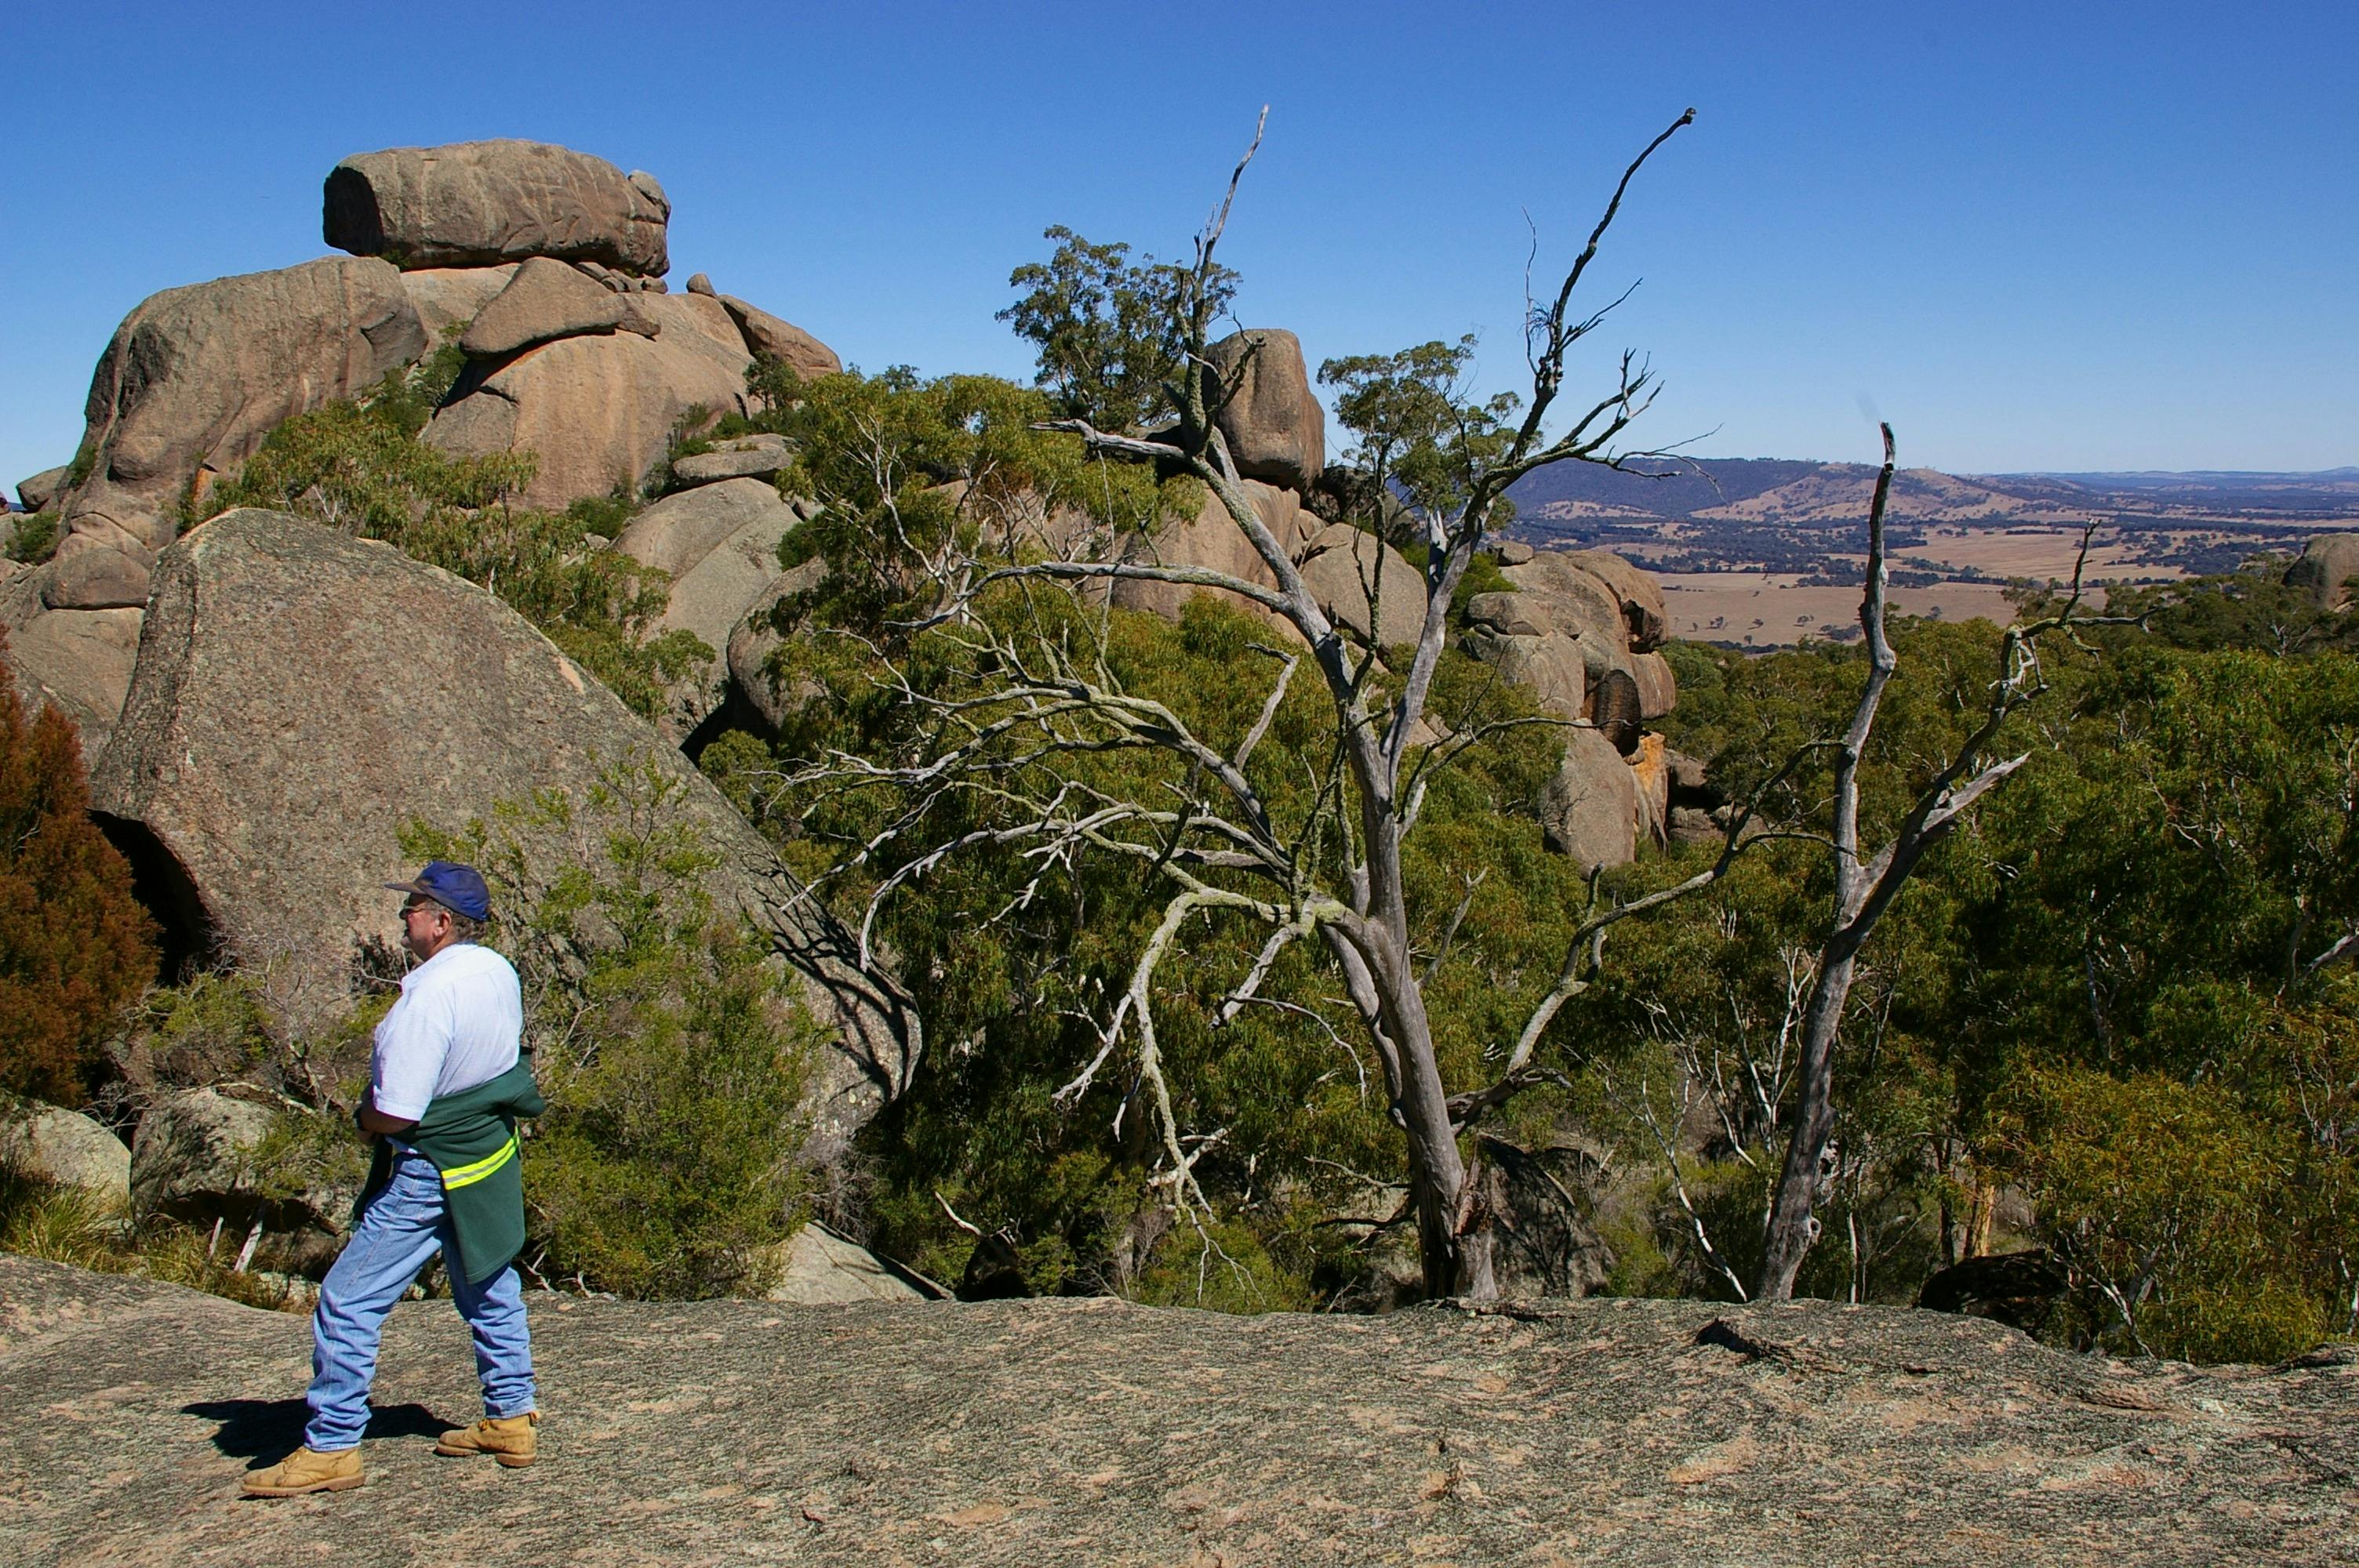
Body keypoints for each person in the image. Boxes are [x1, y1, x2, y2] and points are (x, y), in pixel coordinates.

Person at [244, 860, 547, 1497]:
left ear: (441, 922)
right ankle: (512, 1417)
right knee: (487, 1281)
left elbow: (401, 1109)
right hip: (486, 1154)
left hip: (429, 1165)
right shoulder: (497, 971)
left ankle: (330, 1447)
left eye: (411, 907)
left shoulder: (428, 996)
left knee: (348, 1300)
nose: (401, 917)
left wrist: (364, 1119)